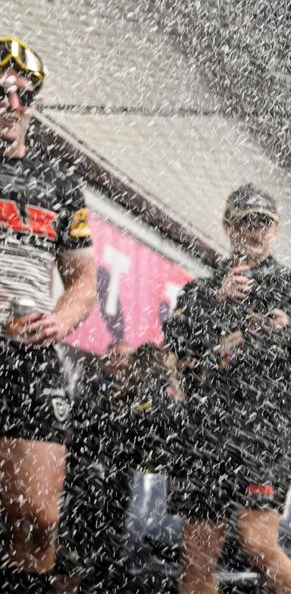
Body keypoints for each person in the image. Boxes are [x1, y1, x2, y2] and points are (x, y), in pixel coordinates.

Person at [165, 185, 291, 594]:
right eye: (246, 223)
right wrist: (219, 304)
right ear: (228, 225)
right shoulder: (200, 291)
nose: (254, 232)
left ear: (275, 231)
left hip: (264, 434)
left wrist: (285, 329)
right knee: (197, 558)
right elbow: (180, 349)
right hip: (205, 431)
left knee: (258, 544)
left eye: (264, 224)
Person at [1, 36, 98, 592]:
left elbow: (84, 279)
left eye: (25, 95)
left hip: (28, 353)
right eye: (1, 92)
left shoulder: (59, 184)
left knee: (39, 518)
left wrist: (62, 321)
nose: (13, 104)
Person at [54, 342, 181, 593]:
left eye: (123, 356)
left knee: (110, 537)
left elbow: (154, 433)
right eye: (111, 354)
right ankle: (78, 572)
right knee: (82, 532)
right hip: (87, 475)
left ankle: (102, 572)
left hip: (119, 480)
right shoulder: (91, 389)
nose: (116, 360)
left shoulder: (149, 394)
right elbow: (79, 428)